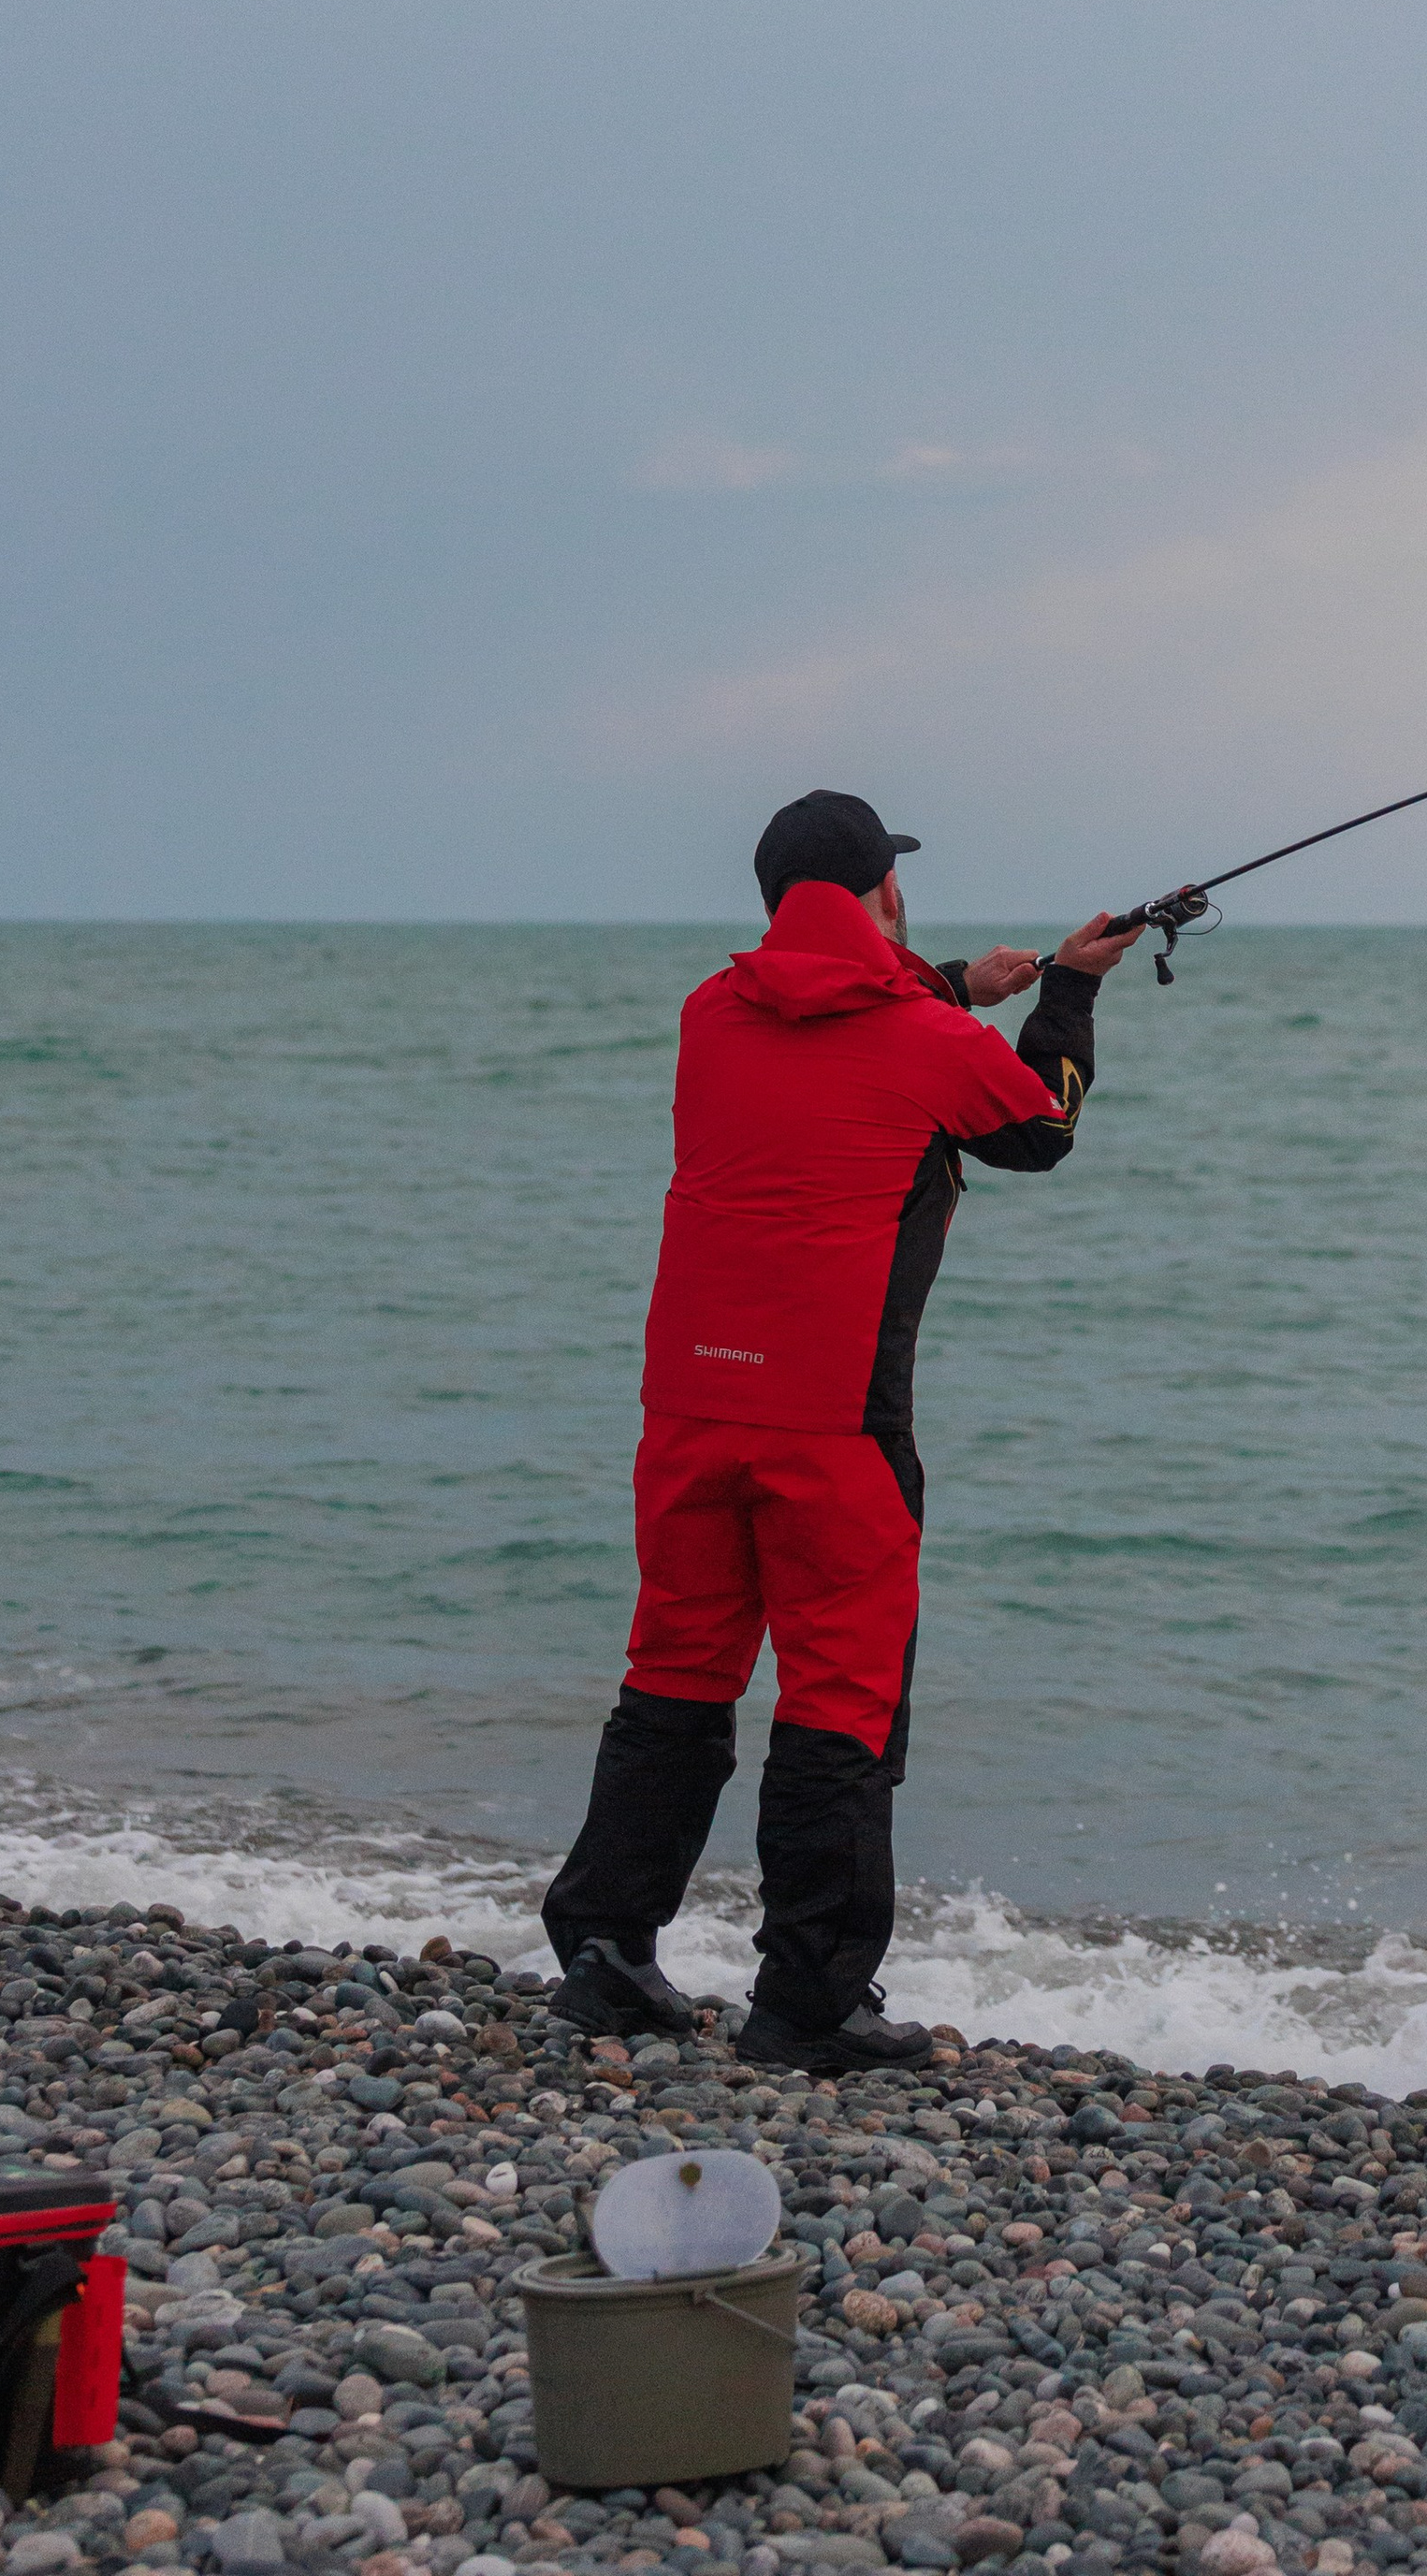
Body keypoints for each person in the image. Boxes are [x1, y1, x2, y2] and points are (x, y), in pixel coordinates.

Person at [541, 788, 1143, 2073]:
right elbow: (1041, 1128)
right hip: (835, 1429)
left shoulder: (710, 1014)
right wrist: (1072, 992)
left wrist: (950, 985)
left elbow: (836, 1025)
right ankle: (808, 2002)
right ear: (882, 892)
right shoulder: (923, 1032)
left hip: (692, 1410)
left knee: (678, 1668)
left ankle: (605, 1951)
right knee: (839, 1701)